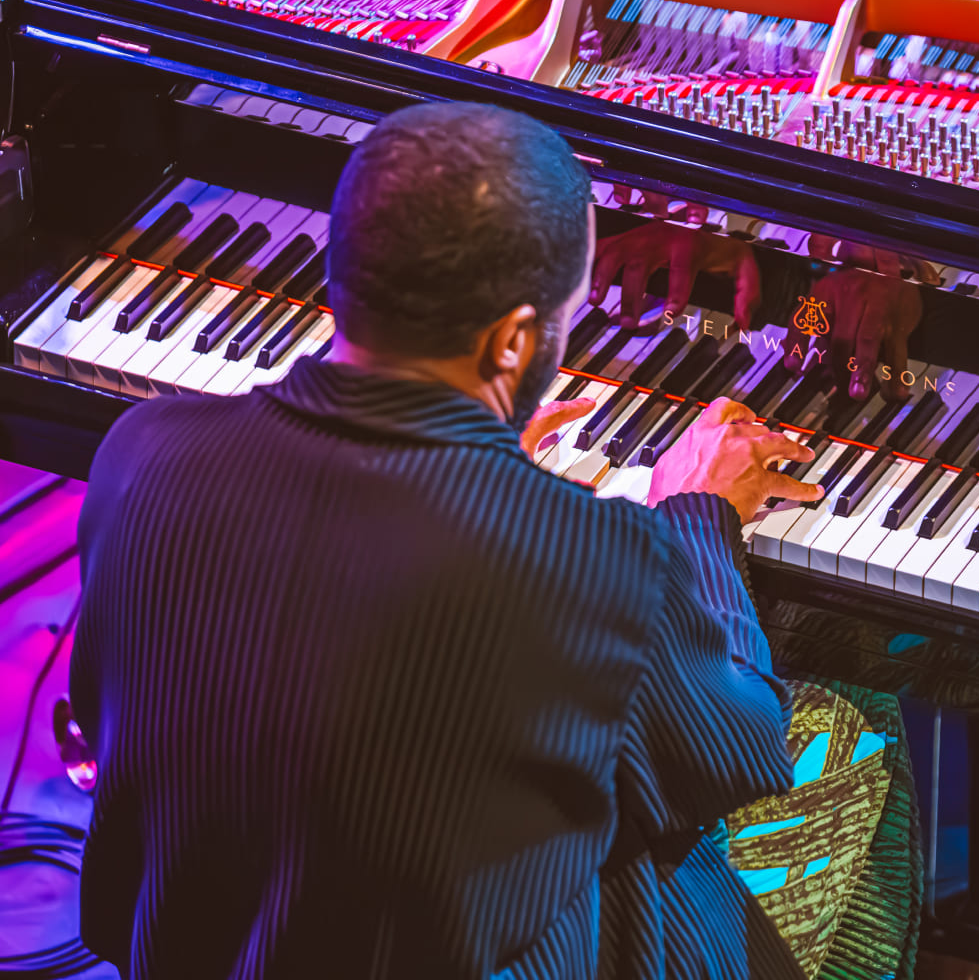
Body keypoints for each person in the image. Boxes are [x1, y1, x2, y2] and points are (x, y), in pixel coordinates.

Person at [68, 101, 826, 979]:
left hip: (195, 942)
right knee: (655, 848)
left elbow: (122, 706)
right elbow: (739, 750)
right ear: (511, 342)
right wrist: (699, 517)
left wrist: (492, 469)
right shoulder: (600, 557)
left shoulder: (143, 452)